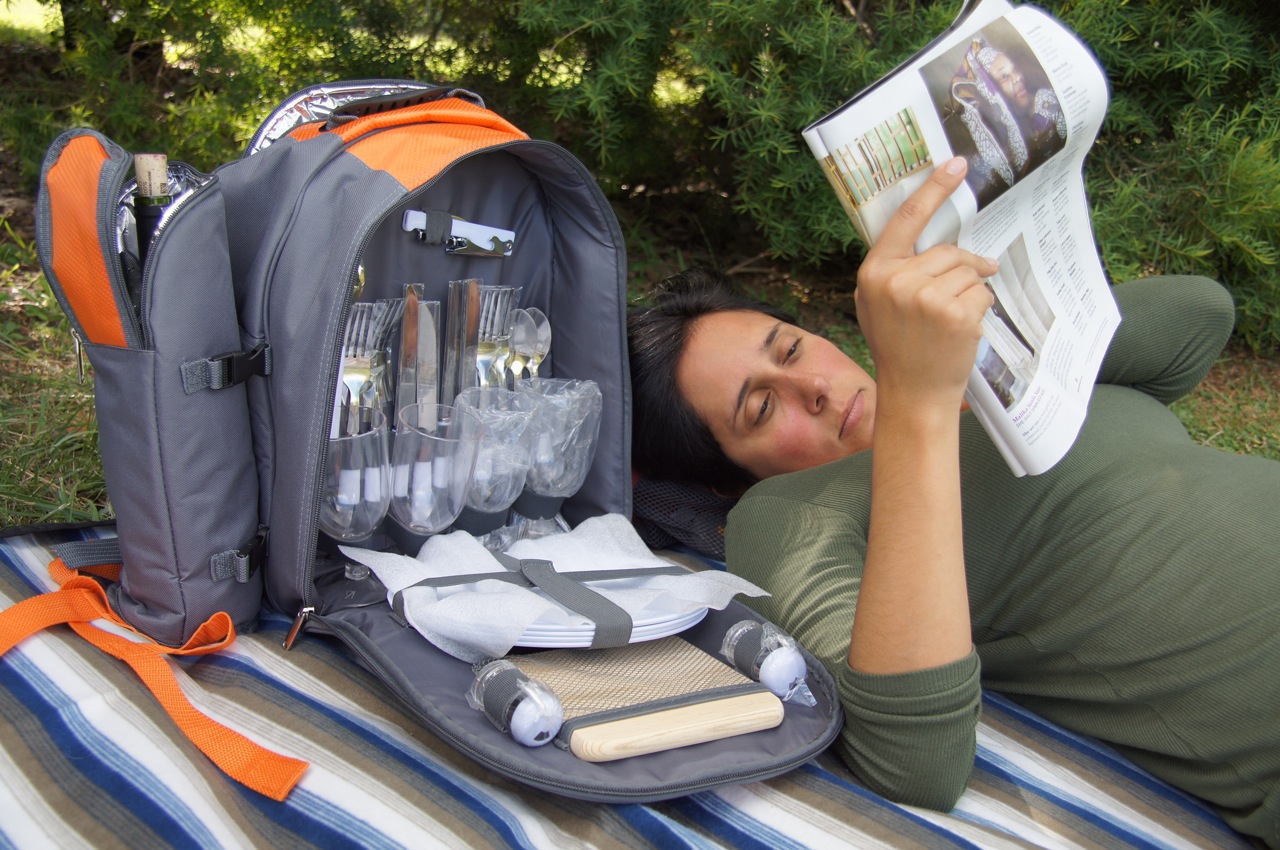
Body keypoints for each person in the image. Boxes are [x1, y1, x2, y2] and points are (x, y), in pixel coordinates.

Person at [626, 157, 1280, 848]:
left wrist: (967, 292)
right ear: (729, 481)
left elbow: (1196, 315)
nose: (811, 387)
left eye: (791, 350)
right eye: (762, 408)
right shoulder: (788, 509)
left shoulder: (998, 386)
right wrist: (921, 404)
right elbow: (914, 761)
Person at [944, 38, 1067, 205]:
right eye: (1004, 76)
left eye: (1014, 69)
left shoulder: (1045, 102)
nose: (1016, 78)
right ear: (991, 95)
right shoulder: (987, 152)